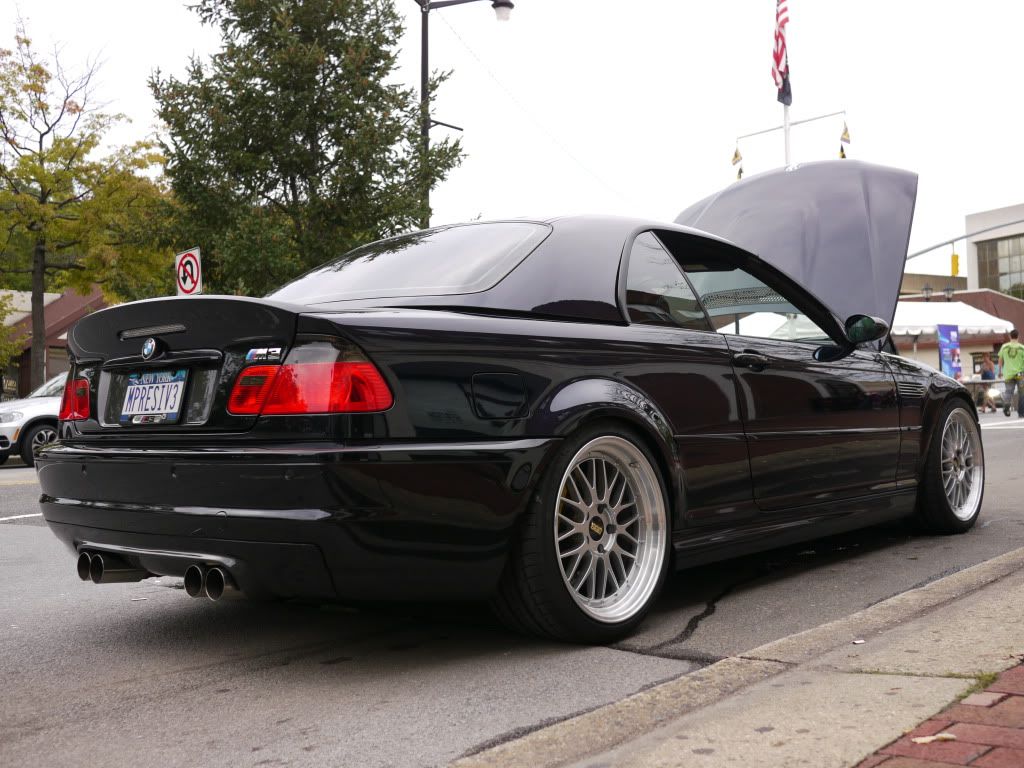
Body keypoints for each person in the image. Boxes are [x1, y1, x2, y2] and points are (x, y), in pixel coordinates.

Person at [997, 329, 1024, 417]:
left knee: (1008, 392)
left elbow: (1000, 360)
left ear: (1010, 336)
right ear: (1018, 336)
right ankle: (1021, 412)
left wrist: (1000, 372)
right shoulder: (1022, 348)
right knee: (1022, 392)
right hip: (1020, 374)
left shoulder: (1004, 347)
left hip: (1008, 374)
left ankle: (1007, 405)